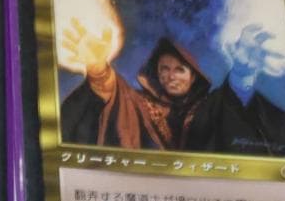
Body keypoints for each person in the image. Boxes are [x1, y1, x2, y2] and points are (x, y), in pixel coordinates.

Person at [59, 19, 211, 149]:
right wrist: (98, 69)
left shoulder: (208, 108)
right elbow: (116, 94)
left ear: (193, 77)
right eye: (165, 69)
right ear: (157, 73)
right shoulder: (141, 104)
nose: (171, 76)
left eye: (179, 70)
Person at [185, 24, 285, 157]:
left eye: (260, 50)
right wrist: (242, 69)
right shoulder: (206, 110)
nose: (251, 53)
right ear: (230, 49)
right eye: (242, 46)